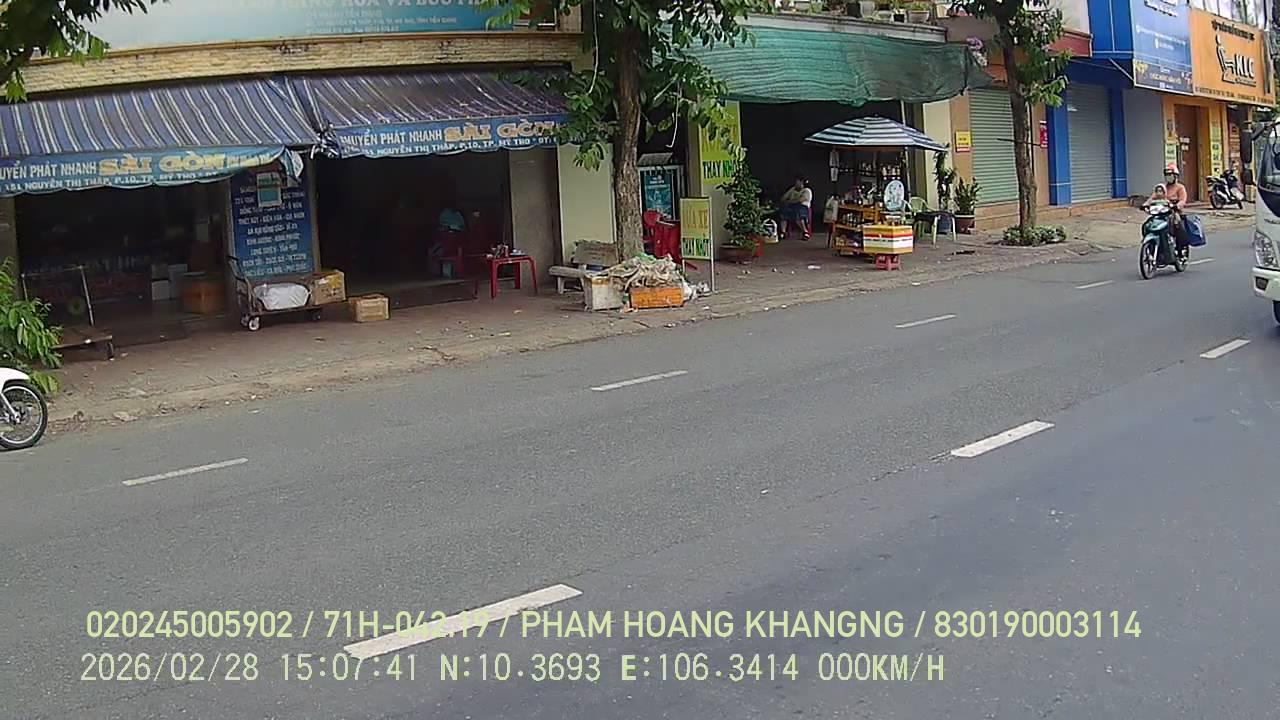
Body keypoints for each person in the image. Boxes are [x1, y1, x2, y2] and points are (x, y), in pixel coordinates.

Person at [1160, 164, 1190, 258]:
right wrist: (1145, 204)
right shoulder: (1162, 187)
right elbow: (1153, 197)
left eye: (1171, 175)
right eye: (1167, 175)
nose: (1169, 177)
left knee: (1177, 224)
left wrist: (1177, 206)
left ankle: (1180, 248)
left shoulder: (1180, 187)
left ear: (1175, 176)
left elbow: (1183, 200)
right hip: (1162, 211)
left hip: (1174, 211)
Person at [779, 175, 813, 240]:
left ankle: (805, 232)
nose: (796, 183)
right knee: (783, 213)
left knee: (798, 215)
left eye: (797, 181)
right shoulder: (793, 189)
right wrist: (789, 199)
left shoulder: (807, 191)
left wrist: (789, 201)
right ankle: (783, 232)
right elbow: (783, 198)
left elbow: (800, 200)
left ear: (802, 182)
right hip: (792, 207)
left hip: (803, 207)